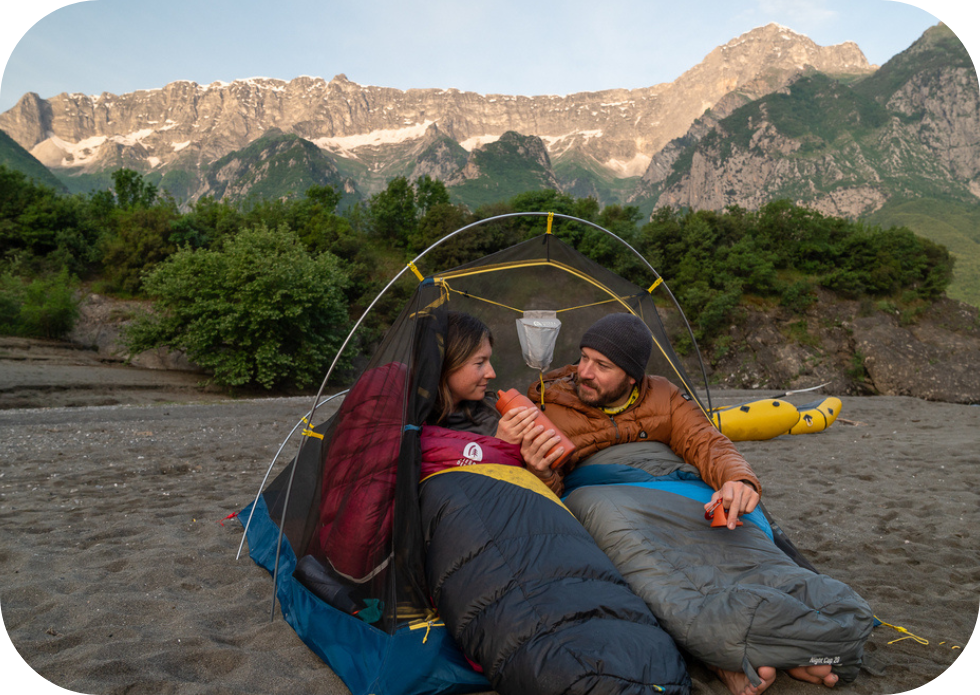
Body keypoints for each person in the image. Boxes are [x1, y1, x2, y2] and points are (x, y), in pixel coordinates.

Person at [518, 313, 866, 695]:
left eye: (602, 366)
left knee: (745, 551)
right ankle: (729, 655)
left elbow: (707, 442)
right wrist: (540, 470)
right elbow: (543, 492)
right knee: (640, 551)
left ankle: (755, 648)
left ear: (632, 376)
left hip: (677, 486)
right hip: (600, 491)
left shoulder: (663, 393)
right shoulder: (547, 402)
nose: (585, 372)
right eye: (584, 358)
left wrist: (737, 479)